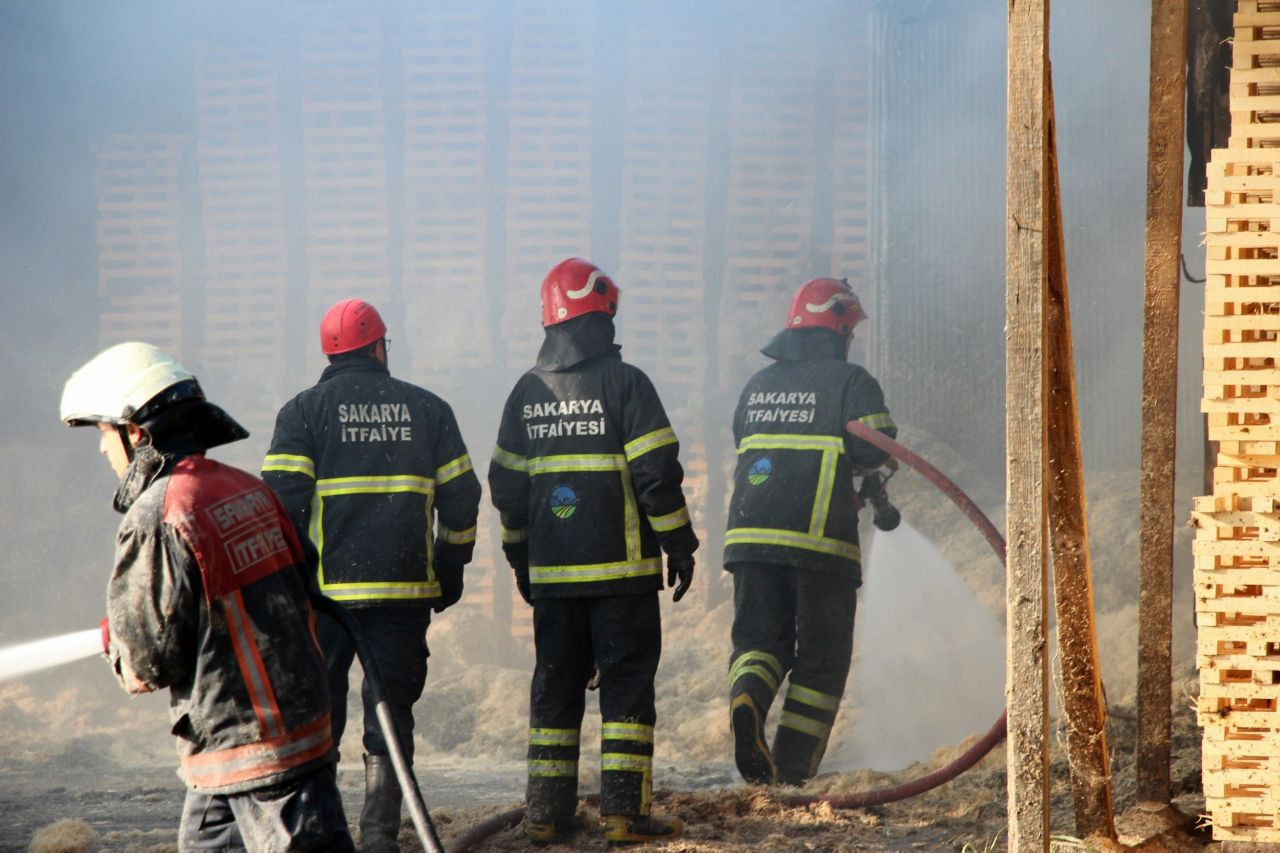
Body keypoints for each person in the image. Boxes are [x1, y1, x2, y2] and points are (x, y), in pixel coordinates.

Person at [59, 342, 354, 851]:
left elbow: (151, 662)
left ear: (137, 433)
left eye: (105, 434)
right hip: (275, 743)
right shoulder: (249, 489)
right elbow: (301, 576)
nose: (103, 450)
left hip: (255, 755)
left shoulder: (158, 514)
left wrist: (123, 643)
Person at [488, 258, 698, 846]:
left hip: (554, 578)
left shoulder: (526, 392)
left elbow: (507, 489)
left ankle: (546, 816)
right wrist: (678, 543)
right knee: (627, 685)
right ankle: (624, 816)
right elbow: (656, 473)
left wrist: (520, 561)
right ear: (599, 314)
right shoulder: (626, 383)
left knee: (555, 685)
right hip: (623, 576)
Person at [261, 299, 481, 852]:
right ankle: (379, 836)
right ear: (380, 347)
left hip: (326, 599)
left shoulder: (303, 412)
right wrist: (449, 568)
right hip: (403, 593)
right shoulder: (429, 409)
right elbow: (462, 500)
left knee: (320, 715)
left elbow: (279, 508)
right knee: (390, 713)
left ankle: (322, 833)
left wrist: (293, 586)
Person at [724, 277, 897, 787]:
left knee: (760, 639)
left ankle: (749, 699)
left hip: (750, 538)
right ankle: (791, 770)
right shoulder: (850, 380)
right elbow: (876, 448)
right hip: (819, 539)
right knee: (821, 657)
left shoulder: (757, 384)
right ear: (840, 328)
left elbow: (746, 440)